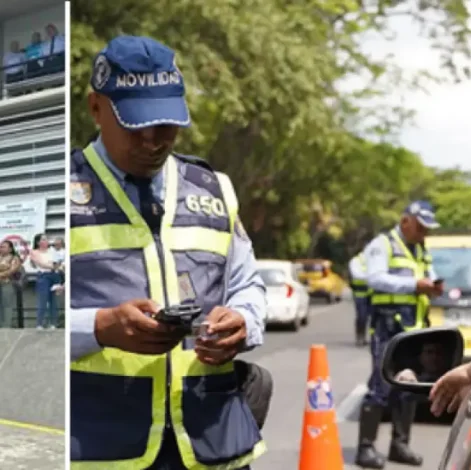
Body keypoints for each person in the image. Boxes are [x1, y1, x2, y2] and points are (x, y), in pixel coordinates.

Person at [69, 35, 268, 469]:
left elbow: (247, 284)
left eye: (165, 125)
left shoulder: (214, 189)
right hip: (101, 447)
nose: (153, 141)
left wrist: (244, 322)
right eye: (135, 125)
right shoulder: (59, 192)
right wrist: (98, 327)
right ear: (96, 108)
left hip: (211, 444)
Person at [355, 200, 444, 469]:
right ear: (406, 221)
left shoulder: (420, 248)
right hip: (387, 326)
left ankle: (399, 446)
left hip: (413, 329)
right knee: (380, 386)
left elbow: (427, 275)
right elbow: (375, 279)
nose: (424, 233)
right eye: (421, 227)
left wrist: (433, 286)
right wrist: (414, 285)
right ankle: (365, 448)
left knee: (408, 388)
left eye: (427, 228)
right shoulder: (382, 244)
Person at [30, 233, 59, 329]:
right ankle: (40, 323)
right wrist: (52, 266)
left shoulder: (52, 251)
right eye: (43, 239)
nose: (46, 241)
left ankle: (53, 323)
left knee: (53, 300)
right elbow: (41, 264)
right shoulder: (34, 252)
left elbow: (57, 262)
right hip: (43, 276)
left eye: (46, 239)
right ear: (38, 242)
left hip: (54, 275)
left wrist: (53, 266)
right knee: (43, 299)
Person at [348, 251, 371, 346]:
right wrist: (374, 276)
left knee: (376, 318)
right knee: (362, 316)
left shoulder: (376, 259)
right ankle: (360, 337)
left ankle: (375, 338)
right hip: (360, 294)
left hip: (374, 294)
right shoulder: (356, 261)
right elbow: (356, 274)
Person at [0, 240, 22, 327]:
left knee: (7, 305)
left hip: (7, 284)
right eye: (0, 247)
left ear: (10, 249)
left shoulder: (14, 258)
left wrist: (1, 274)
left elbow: (12, 271)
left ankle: (6, 326)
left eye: (3, 247)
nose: (1, 248)